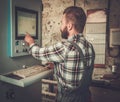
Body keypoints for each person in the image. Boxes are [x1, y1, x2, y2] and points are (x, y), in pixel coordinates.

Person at [24, 6, 95, 102]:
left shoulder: (65, 47)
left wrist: (31, 42)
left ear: (69, 26)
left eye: (62, 23)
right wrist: (57, 66)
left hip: (68, 98)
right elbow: (78, 67)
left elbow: (38, 53)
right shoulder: (89, 46)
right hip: (85, 96)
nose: (60, 27)